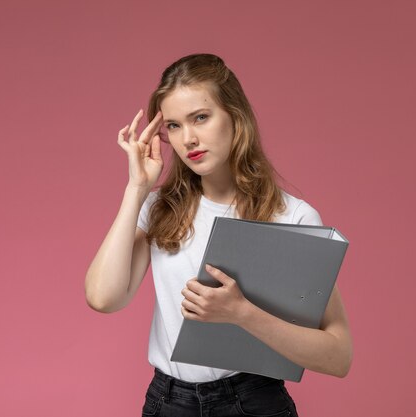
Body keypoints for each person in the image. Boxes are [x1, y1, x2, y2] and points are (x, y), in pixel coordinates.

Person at [85, 53, 352, 417]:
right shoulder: (159, 208)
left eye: (200, 117)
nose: (188, 139)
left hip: (253, 401)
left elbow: (338, 356)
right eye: (174, 126)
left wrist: (242, 313)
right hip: (168, 402)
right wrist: (136, 188)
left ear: (234, 116)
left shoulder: (293, 216)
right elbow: (103, 298)